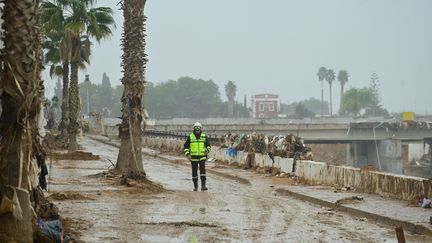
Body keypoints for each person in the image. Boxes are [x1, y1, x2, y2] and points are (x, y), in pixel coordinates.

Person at [183, 122, 211, 191]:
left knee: (202, 170)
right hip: (193, 158)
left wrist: (207, 150)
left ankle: (203, 186)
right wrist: (188, 154)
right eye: (196, 128)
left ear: (201, 129)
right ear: (194, 129)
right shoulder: (190, 136)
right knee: (194, 172)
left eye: (199, 128)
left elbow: (208, 145)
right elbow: (185, 147)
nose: (197, 130)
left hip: (202, 157)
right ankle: (195, 186)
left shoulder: (204, 136)